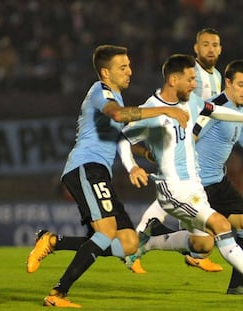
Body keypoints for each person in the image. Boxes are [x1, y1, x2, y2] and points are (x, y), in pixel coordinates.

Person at [25, 45, 189, 308]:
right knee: (106, 232)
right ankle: (58, 294)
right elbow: (118, 115)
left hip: (99, 171)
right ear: (105, 72)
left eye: (129, 66)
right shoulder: (100, 91)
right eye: (122, 67)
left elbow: (118, 136)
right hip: (85, 167)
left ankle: (53, 241)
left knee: (128, 242)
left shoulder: (116, 97)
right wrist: (164, 110)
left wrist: (146, 156)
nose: (129, 71)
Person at [126, 59, 243, 295]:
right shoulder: (211, 107)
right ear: (227, 83)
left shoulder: (240, 114)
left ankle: (237, 286)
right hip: (194, 184)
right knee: (206, 242)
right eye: (241, 84)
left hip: (217, 182)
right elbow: (190, 136)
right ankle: (146, 240)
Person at [132, 27, 224, 273]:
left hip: (195, 144)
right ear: (196, 49)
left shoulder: (216, 78)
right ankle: (137, 241)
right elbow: (195, 107)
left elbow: (208, 111)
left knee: (187, 208)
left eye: (215, 44)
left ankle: (193, 251)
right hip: (186, 144)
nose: (211, 49)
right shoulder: (191, 75)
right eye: (206, 44)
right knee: (175, 195)